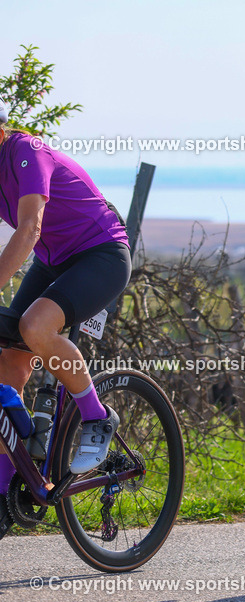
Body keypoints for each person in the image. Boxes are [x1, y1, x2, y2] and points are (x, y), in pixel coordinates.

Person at [0, 97, 130, 475]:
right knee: (10, 358)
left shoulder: (27, 151)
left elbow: (30, 228)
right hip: (52, 261)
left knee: (34, 326)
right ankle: (9, 487)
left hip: (101, 254)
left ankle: (96, 416)